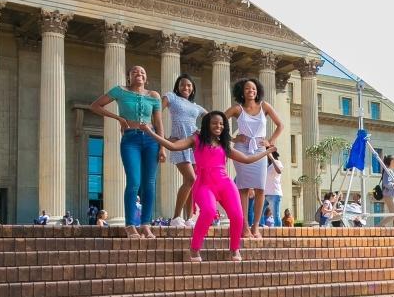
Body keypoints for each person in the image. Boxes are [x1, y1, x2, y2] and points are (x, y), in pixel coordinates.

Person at [139, 112, 274, 262]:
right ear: (207, 125)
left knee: (238, 216)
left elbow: (247, 159)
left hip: (225, 183)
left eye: (222, 124)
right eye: (215, 123)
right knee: (208, 211)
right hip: (204, 184)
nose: (219, 126)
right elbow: (172, 146)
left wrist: (267, 152)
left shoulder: (224, 144)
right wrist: (150, 132)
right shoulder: (195, 139)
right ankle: (194, 249)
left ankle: (234, 249)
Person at [89, 66, 164, 239]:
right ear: (129, 77)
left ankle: (146, 224)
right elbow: (95, 106)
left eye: (143, 72)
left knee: (150, 184)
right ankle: (130, 225)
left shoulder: (154, 96)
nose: (139, 74)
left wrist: (162, 146)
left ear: (146, 78)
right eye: (135, 72)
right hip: (130, 140)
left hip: (151, 140)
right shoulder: (120, 91)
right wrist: (119, 119)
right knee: (134, 181)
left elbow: (158, 123)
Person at [225, 78, 282, 241]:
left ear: (258, 91)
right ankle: (244, 226)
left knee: (260, 189)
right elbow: (219, 120)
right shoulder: (237, 109)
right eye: (248, 88)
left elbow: (280, 125)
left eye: (254, 88)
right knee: (243, 189)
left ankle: (256, 226)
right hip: (242, 149)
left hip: (260, 148)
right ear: (242, 91)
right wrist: (232, 139)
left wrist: (269, 142)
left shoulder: (264, 106)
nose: (251, 91)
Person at [162, 74, 208, 228]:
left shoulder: (196, 106)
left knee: (191, 183)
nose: (186, 88)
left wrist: (203, 130)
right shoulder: (172, 97)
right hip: (179, 143)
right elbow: (156, 111)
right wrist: (165, 138)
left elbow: (212, 118)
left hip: (194, 145)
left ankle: (189, 219)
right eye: (182, 85)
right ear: (178, 86)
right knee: (191, 179)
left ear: (193, 88)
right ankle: (175, 217)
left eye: (189, 85)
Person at [378, 154, 394, 227]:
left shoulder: (389, 171)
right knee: (393, 214)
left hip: (392, 195)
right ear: (392, 161)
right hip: (388, 195)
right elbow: (386, 183)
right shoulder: (387, 171)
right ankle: (378, 226)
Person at [264, 151, 284, 228]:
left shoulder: (277, 162)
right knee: (258, 213)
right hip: (265, 194)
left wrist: (272, 158)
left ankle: (279, 233)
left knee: (276, 215)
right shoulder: (267, 165)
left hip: (275, 194)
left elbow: (279, 171)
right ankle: (261, 227)